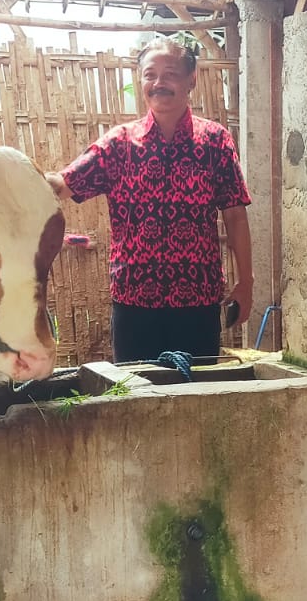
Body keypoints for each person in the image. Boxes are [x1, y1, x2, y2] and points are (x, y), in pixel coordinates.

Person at [47, 39, 252, 363]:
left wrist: (246, 282)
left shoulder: (215, 141)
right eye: (150, 75)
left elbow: (236, 215)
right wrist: (11, 173)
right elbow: (63, 185)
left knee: (198, 399)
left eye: (170, 74)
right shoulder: (118, 144)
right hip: (134, 305)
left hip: (197, 303)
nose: (159, 83)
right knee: (136, 399)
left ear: (191, 79)